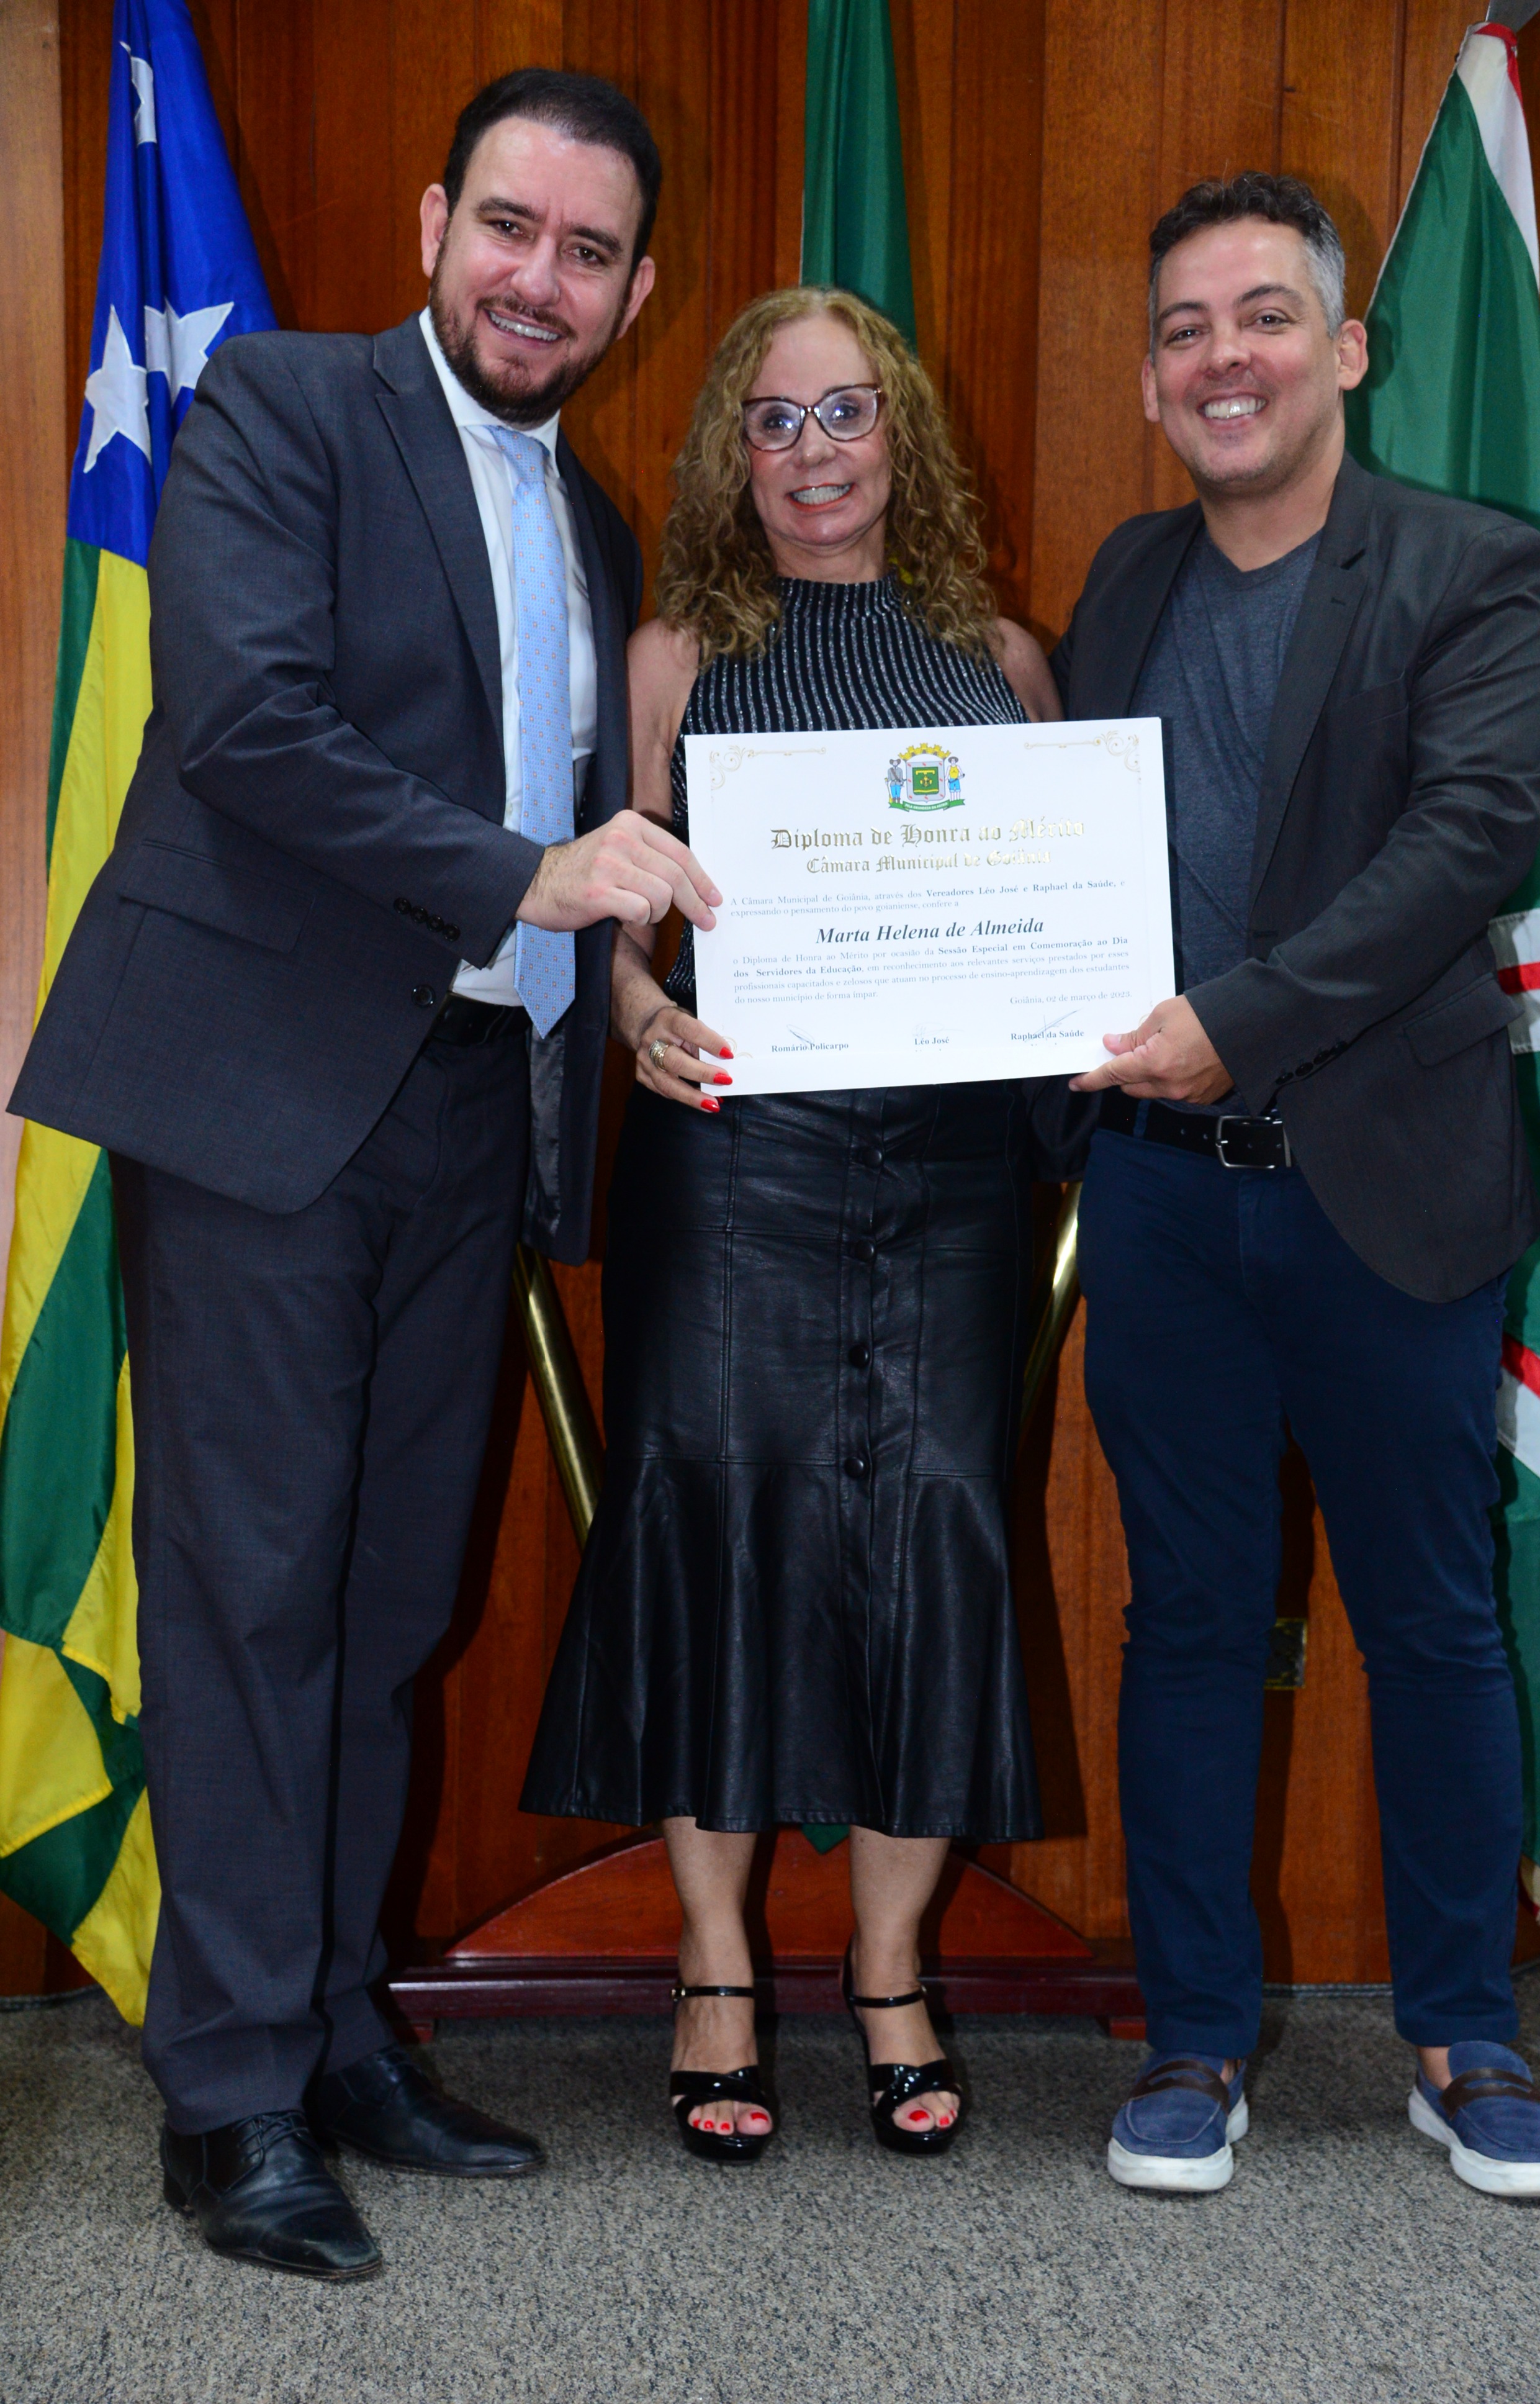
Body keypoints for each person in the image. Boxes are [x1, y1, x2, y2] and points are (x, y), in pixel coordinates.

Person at [10, 69, 721, 2280]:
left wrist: (618, 987)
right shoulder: (288, 409)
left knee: (392, 1602)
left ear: (633, 292)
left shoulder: (595, 524)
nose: (538, 278)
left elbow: (581, 847)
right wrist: (532, 878)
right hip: (265, 1103)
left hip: (471, 1110)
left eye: (587, 252)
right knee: (250, 1598)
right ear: (434, 222)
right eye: (510, 226)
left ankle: (332, 2038)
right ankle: (226, 2097)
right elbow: (246, 724)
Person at [1053, 173, 1540, 2200]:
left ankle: (1464, 2035)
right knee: (1189, 1621)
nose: (1225, 359)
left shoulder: (1468, 564)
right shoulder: (1124, 578)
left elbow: (1471, 840)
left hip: (1389, 1190)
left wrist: (1238, 1020)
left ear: (1344, 347)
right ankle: (1194, 2040)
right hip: (1163, 1203)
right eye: (1184, 329)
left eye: (1264, 316)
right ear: (1154, 379)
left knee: (1432, 1622)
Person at [523, 286, 1065, 2162]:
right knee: (710, 1519)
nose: (813, 451)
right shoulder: (674, 655)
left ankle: (892, 1969)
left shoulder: (1002, 658)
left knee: (940, 1524)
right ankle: (716, 1967)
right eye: (775, 420)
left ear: (901, 433)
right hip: (733, 1154)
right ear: (730, 455)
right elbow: (619, 927)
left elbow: (1058, 912)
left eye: (846, 413)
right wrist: (636, 1016)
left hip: (953, 1172)